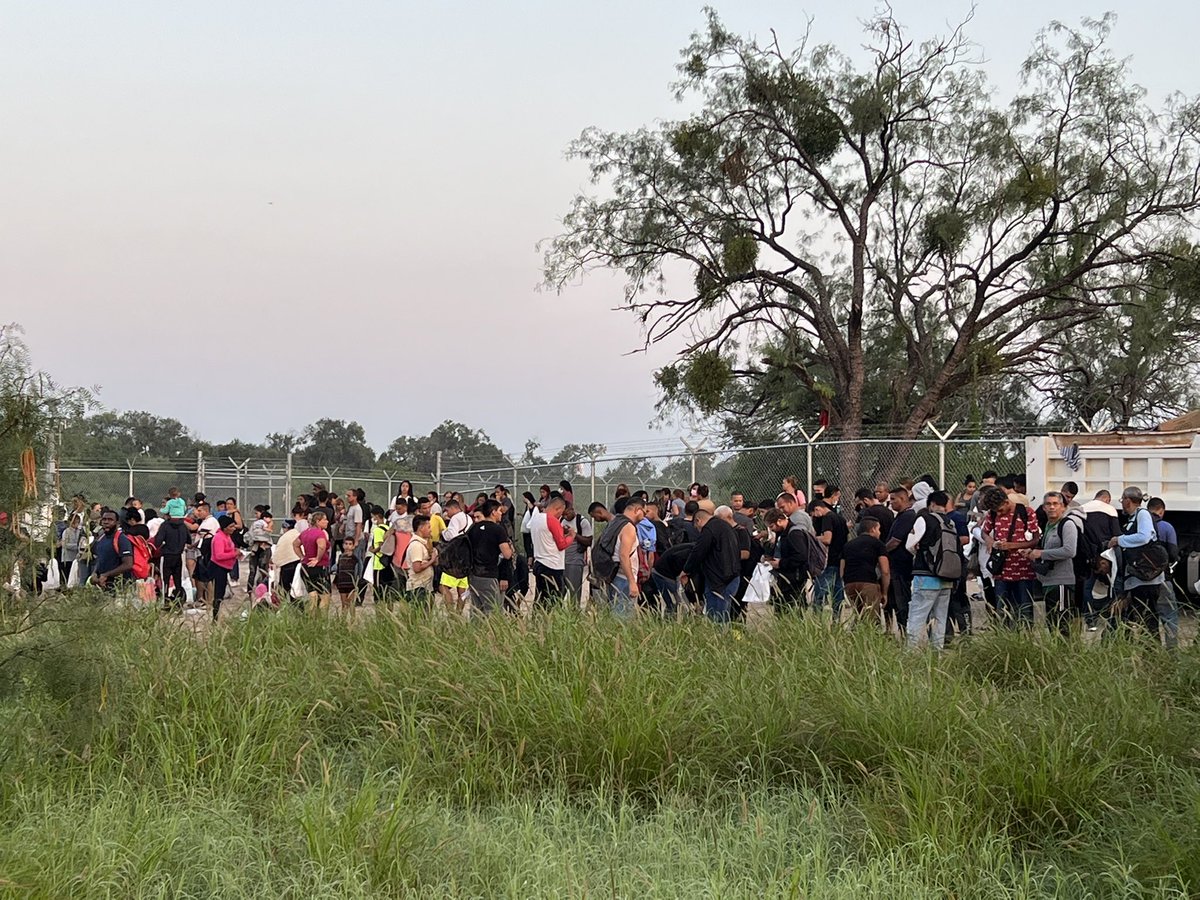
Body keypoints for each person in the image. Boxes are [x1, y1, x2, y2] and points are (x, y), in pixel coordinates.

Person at [903, 490, 960, 650]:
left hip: (926, 576)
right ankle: (937, 652)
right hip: (947, 577)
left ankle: (911, 652)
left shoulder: (924, 519)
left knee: (916, 617)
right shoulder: (950, 523)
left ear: (931, 504)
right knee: (940, 618)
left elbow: (910, 544)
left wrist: (918, 552)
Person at [980, 485, 1040, 627]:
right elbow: (984, 532)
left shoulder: (1026, 512)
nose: (999, 514)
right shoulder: (992, 514)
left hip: (1023, 571)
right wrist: (990, 541)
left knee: (1024, 610)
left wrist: (1011, 546)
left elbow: (1036, 539)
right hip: (1001, 571)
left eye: (1000, 510)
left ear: (1007, 502)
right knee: (1003, 611)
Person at [1109, 487, 1165, 640]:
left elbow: (1144, 537)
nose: (1121, 503)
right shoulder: (1134, 518)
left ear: (1128, 500)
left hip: (1146, 578)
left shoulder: (1143, 514)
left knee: (1148, 619)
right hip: (1137, 578)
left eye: (1122, 500)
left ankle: (1151, 655)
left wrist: (1118, 540)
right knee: (1142, 619)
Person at [1026, 491, 1083, 636]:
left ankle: (1066, 653)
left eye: (1055, 504)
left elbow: (1070, 551)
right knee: (1052, 624)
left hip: (1062, 581)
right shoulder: (1047, 526)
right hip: (1048, 581)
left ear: (1063, 507)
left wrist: (1042, 554)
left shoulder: (1067, 524)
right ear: (1043, 507)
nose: (1052, 507)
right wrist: (1032, 554)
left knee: (1062, 624)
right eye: (1048, 504)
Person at [680, 507, 740, 622]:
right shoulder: (726, 526)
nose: (698, 530)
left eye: (696, 527)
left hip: (717, 580)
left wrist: (686, 569)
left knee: (715, 616)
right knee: (724, 614)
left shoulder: (709, 529)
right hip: (733, 576)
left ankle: (716, 638)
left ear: (698, 520)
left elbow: (698, 552)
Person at [465, 499, 514, 615]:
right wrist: (510, 548)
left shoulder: (473, 529)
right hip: (489, 575)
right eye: (499, 511)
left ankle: (475, 632)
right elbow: (507, 554)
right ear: (493, 512)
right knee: (493, 611)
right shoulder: (498, 530)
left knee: (476, 611)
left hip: (473, 575)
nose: (501, 513)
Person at [840, 518, 890, 626]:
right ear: (872, 529)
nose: (879, 532)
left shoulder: (848, 545)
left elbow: (842, 568)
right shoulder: (878, 544)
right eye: (878, 529)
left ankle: (855, 638)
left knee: (858, 615)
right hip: (869, 583)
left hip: (850, 584)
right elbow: (885, 570)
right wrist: (884, 593)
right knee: (871, 620)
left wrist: (845, 583)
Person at [1147, 497, 1180, 649]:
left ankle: (1151, 652)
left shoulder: (1137, 526)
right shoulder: (1166, 527)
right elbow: (1173, 554)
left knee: (1148, 618)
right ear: (1162, 511)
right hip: (1162, 579)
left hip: (1141, 581)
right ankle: (1171, 653)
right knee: (1169, 617)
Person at [883, 487, 917, 635]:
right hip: (893, 567)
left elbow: (895, 541)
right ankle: (891, 630)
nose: (891, 503)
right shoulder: (899, 516)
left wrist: (881, 552)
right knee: (891, 602)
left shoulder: (908, 516)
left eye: (893, 499)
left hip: (901, 567)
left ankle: (905, 633)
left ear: (903, 499)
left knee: (901, 601)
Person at [529, 496, 574, 606]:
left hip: (539, 562)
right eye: (561, 512)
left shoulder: (535, 518)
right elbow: (561, 544)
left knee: (540, 599)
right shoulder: (552, 521)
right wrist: (572, 536)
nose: (561, 515)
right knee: (554, 600)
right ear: (558, 508)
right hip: (552, 565)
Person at [810, 500, 847, 618]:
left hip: (829, 559)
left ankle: (817, 619)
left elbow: (827, 539)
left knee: (820, 590)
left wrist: (812, 538)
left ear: (817, 509)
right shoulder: (840, 518)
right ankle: (837, 619)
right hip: (840, 558)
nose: (815, 517)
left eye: (813, 514)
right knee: (837, 591)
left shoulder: (827, 518)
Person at [608, 497, 645, 617]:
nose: (644, 517)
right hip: (624, 579)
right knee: (622, 619)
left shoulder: (615, 522)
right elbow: (623, 555)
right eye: (644, 512)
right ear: (637, 510)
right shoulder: (629, 527)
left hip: (614, 576)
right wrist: (632, 582)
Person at [294, 510, 332, 612]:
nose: (327, 521)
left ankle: (311, 619)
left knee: (312, 595)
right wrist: (318, 558)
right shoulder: (320, 533)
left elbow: (295, 544)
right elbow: (322, 546)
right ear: (318, 521)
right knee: (325, 595)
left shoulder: (305, 533)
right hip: (319, 566)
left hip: (306, 566)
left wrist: (302, 557)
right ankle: (322, 621)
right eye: (325, 519)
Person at [89, 508, 133, 592]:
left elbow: (128, 564)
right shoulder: (100, 539)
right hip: (103, 587)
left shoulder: (122, 539)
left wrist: (107, 575)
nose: (106, 522)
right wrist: (94, 573)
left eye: (110, 520)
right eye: (104, 519)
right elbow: (100, 560)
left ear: (117, 523)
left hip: (119, 588)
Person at [209, 515, 239, 621]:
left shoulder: (227, 536)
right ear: (225, 527)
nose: (234, 528)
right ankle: (215, 616)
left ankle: (217, 614)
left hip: (224, 567)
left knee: (221, 593)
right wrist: (234, 554)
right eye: (231, 526)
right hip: (218, 567)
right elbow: (219, 555)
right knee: (218, 593)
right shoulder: (218, 537)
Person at [562, 501, 593, 602]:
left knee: (574, 592)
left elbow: (589, 541)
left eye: (567, 513)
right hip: (562, 560)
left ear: (572, 509)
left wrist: (574, 535)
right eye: (563, 514)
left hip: (575, 560)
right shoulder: (561, 521)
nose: (566, 516)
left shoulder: (582, 521)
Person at [404, 515, 437, 606]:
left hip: (426, 586)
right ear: (421, 528)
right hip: (418, 587)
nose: (430, 530)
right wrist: (432, 560)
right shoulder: (416, 545)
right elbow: (417, 568)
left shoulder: (424, 543)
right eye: (428, 527)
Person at [246, 506, 273, 592]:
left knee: (263, 569)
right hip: (256, 547)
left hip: (264, 548)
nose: (255, 515)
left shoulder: (268, 523)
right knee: (253, 570)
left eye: (256, 513)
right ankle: (250, 588)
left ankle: (262, 588)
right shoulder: (256, 524)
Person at [334, 538, 359, 610]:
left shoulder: (354, 557)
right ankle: (343, 620)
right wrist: (336, 581)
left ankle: (352, 620)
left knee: (351, 604)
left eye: (350, 544)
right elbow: (338, 570)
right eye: (346, 544)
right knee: (344, 605)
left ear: (353, 546)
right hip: (342, 584)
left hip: (351, 583)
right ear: (343, 545)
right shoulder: (340, 556)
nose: (348, 546)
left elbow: (358, 567)